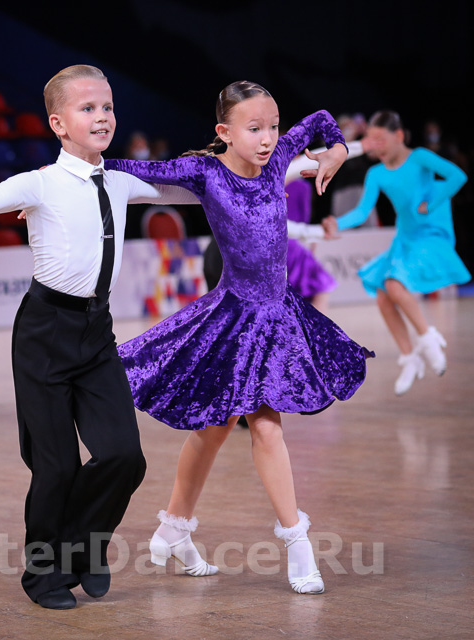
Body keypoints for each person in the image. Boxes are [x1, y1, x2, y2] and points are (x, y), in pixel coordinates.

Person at [0, 64, 200, 610]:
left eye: (107, 107)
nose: (102, 117)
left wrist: (283, 169)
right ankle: (43, 576)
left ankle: (84, 547)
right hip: (44, 333)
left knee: (125, 457)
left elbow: (200, 190)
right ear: (58, 123)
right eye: (88, 108)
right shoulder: (39, 183)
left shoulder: (123, 181)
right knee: (55, 466)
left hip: (97, 332)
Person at [105, 81, 373, 595]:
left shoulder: (277, 161)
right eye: (254, 129)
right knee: (234, 426)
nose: (268, 138)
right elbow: (123, 168)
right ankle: (288, 541)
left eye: (273, 126)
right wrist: (59, 186)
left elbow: (320, 119)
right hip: (234, 317)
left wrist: (337, 149)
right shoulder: (205, 172)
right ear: (224, 132)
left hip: (278, 315)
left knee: (237, 426)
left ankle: (177, 529)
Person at [325, 110, 469, 396]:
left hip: (431, 235)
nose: (376, 145)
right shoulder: (376, 173)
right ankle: (409, 356)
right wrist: (335, 223)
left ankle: (428, 339)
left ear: (399, 136)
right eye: (372, 139)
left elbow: (457, 176)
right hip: (406, 238)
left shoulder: (420, 157)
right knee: (382, 294)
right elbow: (362, 212)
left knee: (394, 284)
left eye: (381, 139)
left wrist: (432, 202)